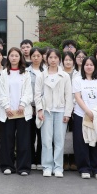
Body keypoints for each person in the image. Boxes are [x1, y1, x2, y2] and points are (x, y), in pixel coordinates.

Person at [34, 48, 72, 178]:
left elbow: (68, 95)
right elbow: (37, 95)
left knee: (59, 141)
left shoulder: (65, 76)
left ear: (59, 59)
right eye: (50, 57)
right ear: (47, 59)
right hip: (46, 111)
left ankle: (58, 167)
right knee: (46, 140)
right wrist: (39, 110)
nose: (53, 60)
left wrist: (67, 113)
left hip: (61, 111)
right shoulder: (41, 75)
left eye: (56, 57)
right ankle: (47, 166)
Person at [72, 56, 97, 180]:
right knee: (82, 142)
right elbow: (78, 97)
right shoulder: (78, 80)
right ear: (83, 66)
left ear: (95, 66)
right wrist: (88, 112)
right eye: (86, 64)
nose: (89, 67)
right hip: (81, 114)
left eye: (91, 65)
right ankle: (84, 168)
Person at [0, 47, 33, 175]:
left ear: (20, 58)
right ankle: (7, 165)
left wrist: (23, 104)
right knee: (7, 140)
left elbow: (29, 92)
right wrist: (7, 107)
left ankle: (23, 167)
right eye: (11, 55)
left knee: (23, 140)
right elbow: (2, 92)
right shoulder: (4, 73)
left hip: (22, 112)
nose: (14, 58)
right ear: (8, 57)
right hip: (8, 112)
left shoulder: (26, 73)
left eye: (16, 56)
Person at [27, 47, 45, 170]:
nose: (36, 58)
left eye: (38, 55)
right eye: (34, 56)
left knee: (42, 135)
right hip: (29, 106)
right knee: (30, 135)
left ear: (42, 57)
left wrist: (40, 107)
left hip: (43, 107)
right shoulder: (26, 71)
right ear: (30, 57)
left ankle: (39, 159)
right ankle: (31, 160)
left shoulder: (47, 71)